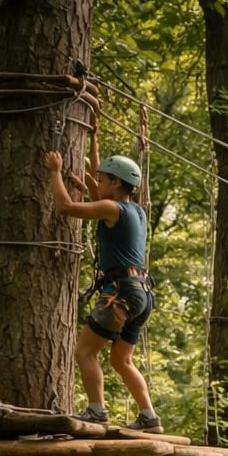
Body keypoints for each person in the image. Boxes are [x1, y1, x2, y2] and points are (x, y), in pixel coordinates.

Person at [45, 136, 160, 433]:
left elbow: (67, 207)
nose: (98, 182)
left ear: (117, 184)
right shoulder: (137, 211)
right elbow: (98, 192)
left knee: (84, 352)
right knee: (122, 361)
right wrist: (93, 139)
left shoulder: (112, 209)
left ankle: (96, 411)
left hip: (120, 292)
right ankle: (149, 417)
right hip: (142, 293)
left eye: (104, 179)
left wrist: (56, 171)